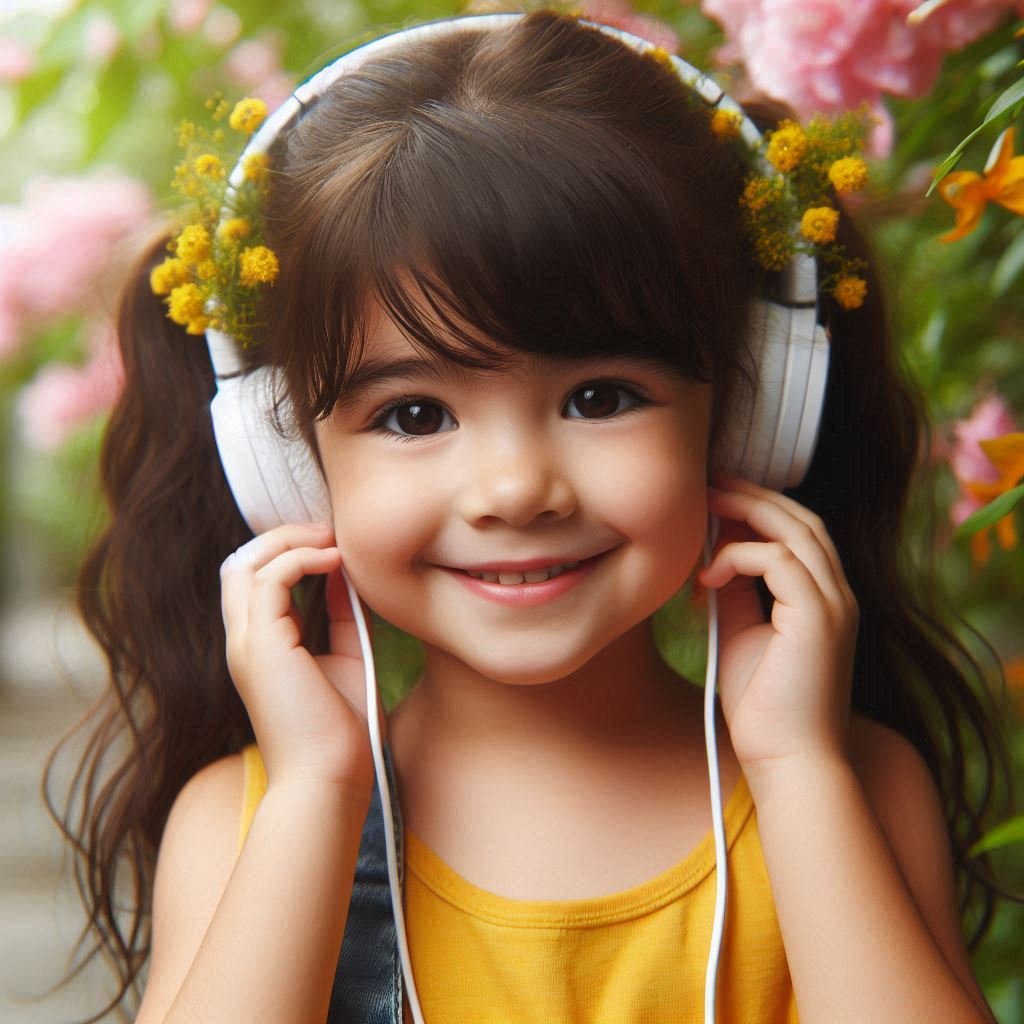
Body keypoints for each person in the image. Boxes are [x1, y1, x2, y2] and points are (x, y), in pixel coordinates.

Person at [51, 8, 1010, 1023]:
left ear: (745, 421)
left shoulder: (841, 783)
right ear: (285, 465)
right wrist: (316, 798)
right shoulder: (252, 821)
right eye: (413, 413)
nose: (515, 489)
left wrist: (795, 768)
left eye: (600, 396)